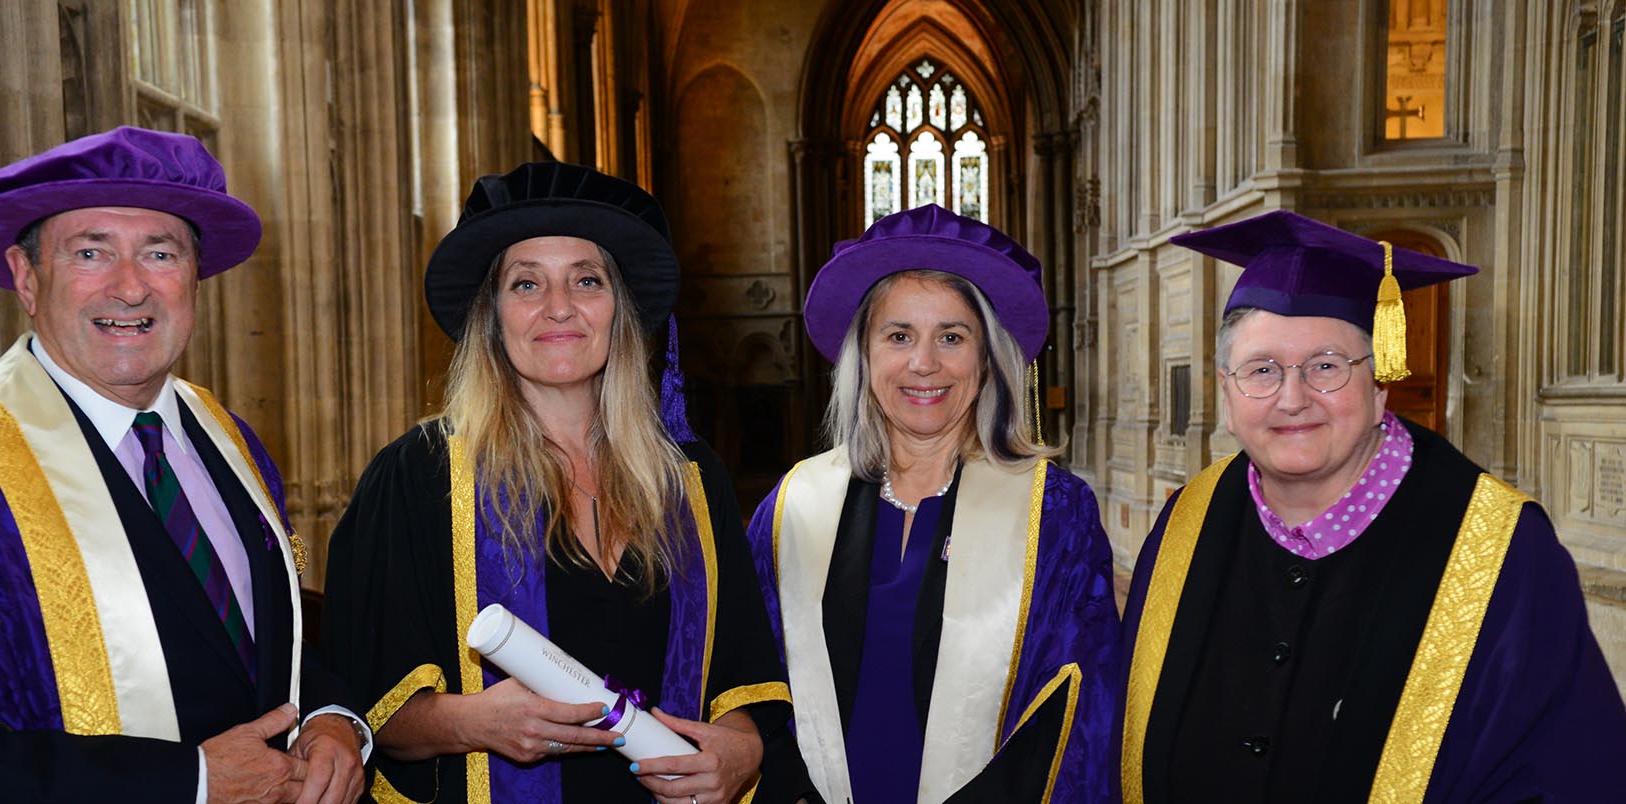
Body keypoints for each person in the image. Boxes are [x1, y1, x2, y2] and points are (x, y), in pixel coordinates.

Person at [0, 126, 367, 804]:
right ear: (26, 279)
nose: (131, 288)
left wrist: (331, 719)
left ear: (194, 277)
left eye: (160, 253)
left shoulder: (230, 440)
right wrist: (191, 784)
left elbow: (271, 649)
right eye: (91, 252)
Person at [322, 162, 804, 804]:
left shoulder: (688, 479)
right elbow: (364, 705)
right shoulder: (418, 477)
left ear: (619, 309)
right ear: (491, 316)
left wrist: (742, 750)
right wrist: (475, 722)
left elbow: (742, 678)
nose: (559, 307)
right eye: (526, 284)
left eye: (586, 280)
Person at [1118, 210, 1626, 803]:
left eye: (1327, 367)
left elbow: (1565, 774)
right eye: (1260, 370)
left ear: (1380, 382)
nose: (1292, 398)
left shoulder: (1500, 552)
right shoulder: (1186, 524)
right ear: (1227, 392)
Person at [744, 204, 1121, 804]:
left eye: (952, 336)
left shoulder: (1054, 516)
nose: (924, 364)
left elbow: (1079, 711)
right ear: (864, 358)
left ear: (987, 358)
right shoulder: (792, 508)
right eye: (898, 336)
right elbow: (755, 684)